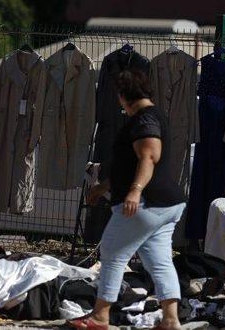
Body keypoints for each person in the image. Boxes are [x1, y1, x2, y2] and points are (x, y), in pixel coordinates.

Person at [70, 70, 186, 330]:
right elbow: (131, 163)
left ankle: (100, 317)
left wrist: (134, 190)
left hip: (145, 204)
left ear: (123, 97)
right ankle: (170, 320)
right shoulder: (154, 116)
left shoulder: (144, 120)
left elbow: (149, 156)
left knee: (112, 252)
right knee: (159, 260)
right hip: (167, 205)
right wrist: (103, 188)